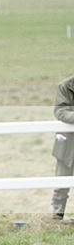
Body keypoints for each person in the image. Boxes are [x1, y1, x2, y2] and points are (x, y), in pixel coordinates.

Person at [52, 75, 74, 219]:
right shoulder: (65, 86)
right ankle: (57, 217)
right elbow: (60, 111)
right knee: (61, 182)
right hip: (67, 144)